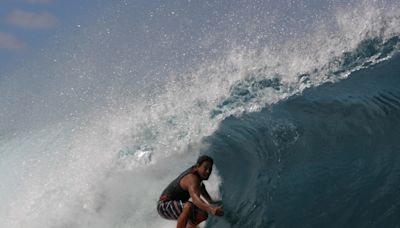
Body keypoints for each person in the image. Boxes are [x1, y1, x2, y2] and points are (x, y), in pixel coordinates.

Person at [157, 155, 224, 228]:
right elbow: (196, 200)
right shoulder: (192, 178)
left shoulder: (198, 176)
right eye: (205, 168)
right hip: (164, 206)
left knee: (202, 214)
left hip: (175, 205)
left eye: (210, 169)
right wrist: (211, 209)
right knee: (188, 206)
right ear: (198, 166)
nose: (208, 171)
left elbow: (201, 188)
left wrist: (211, 202)